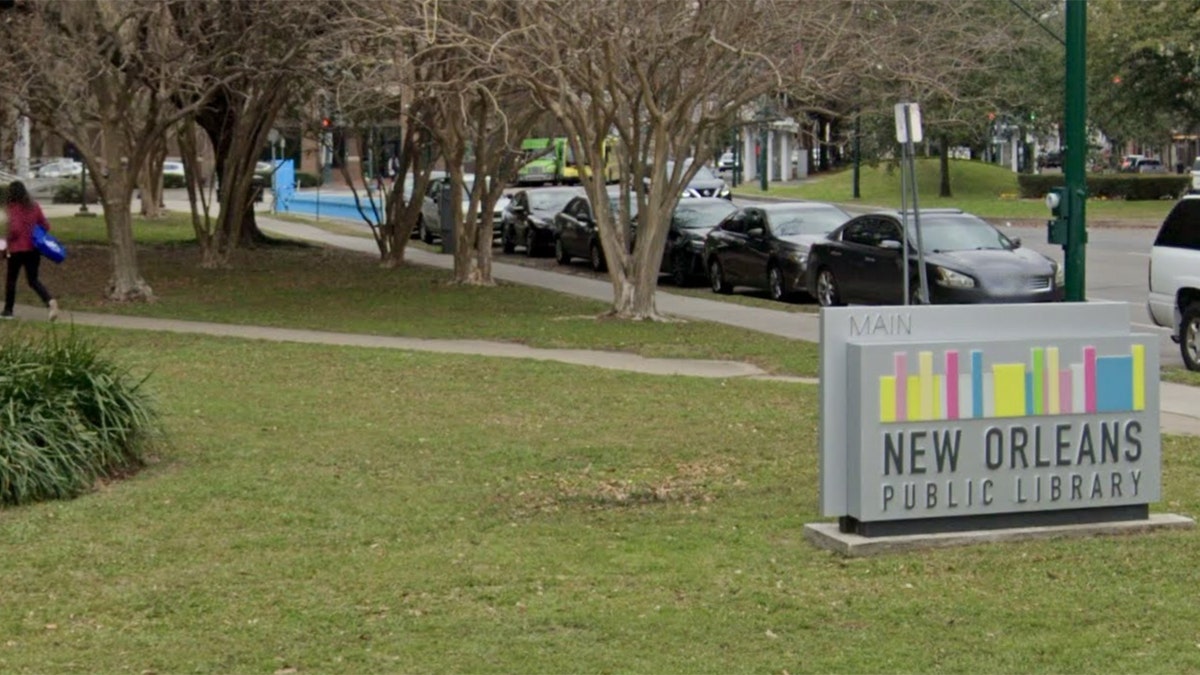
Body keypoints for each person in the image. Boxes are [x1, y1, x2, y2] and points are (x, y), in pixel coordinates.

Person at [3, 181, 59, 321]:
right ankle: (50, 301)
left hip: (17, 250)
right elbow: (45, 225)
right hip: (33, 249)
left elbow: (14, 230)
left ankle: (8, 310)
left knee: (11, 280)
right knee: (33, 280)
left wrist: (7, 238)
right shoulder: (34, 207)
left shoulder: (12, 208)